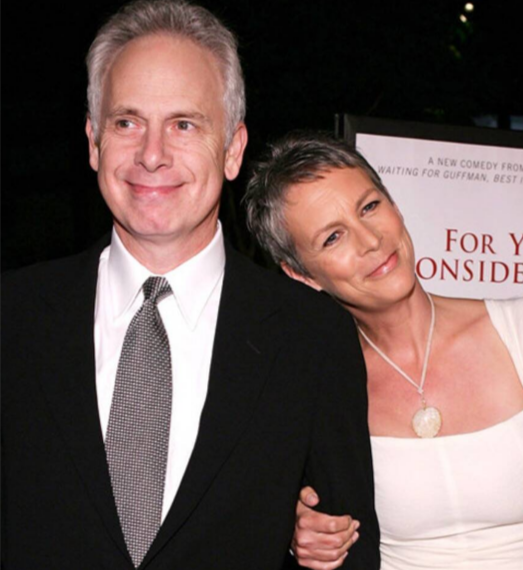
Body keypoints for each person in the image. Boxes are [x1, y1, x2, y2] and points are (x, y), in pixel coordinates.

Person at [1, 3, 380, 569]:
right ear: (93, 141)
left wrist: (311, 549)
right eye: (127, 122)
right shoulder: (13, 317)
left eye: (184, 124)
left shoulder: (313, 337)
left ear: (232, 149)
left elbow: (349, 552)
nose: (152, 155)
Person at [244, 131, 523, 570]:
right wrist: (297, 528)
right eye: (333, 237)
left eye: (370, 207)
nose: (371, 240)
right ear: (301, 275)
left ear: (395, 204)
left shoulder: (516, 329)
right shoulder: (310, 393)